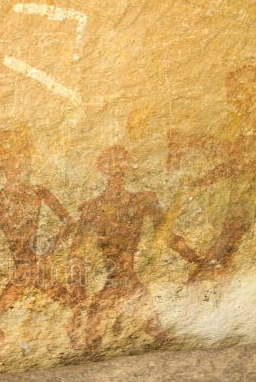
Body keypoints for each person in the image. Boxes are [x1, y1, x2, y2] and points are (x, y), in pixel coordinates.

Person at [166, 65, 256, 282]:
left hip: (254, 184)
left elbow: (240, 159)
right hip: (239, 183)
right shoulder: (236, 120)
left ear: (254, 88)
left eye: (243, 86)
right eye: (234, 86)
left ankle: (213, 270)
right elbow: (230, 155)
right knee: (225, 232)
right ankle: (213, 270)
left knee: (232, 230)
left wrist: (202, 177)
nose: (235, 92)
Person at [0, 129, 80, 352]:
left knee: (75, 308)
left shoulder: (39, 192)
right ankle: (0, 352)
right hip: (23, 271)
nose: (12, 165)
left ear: (24, 157)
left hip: (33, 269)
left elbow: (70, 223)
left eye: (16, 157)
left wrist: (52, 248)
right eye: (5, 159)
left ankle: (73, 337)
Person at [71, 146, 188, 350]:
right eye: (111, 162)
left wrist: (197, 260)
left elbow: (168, 237)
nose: (116, 167)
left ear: (127, 166)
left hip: (130, 285)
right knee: (92, 343)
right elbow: (76, 254)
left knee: (157, 335)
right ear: (102, 168)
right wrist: (78, 299)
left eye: (120, 161)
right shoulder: (92, 208)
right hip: (119, 285)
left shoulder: (143, 200)